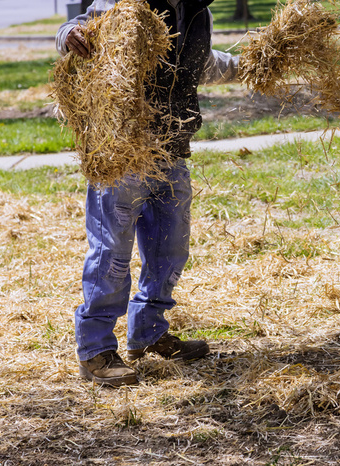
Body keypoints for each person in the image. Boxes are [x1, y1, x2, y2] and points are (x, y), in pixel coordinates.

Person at [56, 0, 240, 387]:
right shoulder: (124, 4)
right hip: (122, 153)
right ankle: (94, 349)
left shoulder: (197, 10)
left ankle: (149, 333)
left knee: (170, 249)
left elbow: (201, 63)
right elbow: (75, 30)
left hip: (171, 149)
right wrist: (68, 36)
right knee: (112, 254)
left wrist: (249, 66)